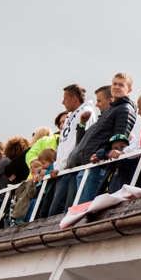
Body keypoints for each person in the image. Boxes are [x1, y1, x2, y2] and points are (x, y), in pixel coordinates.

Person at [78, 73, 137, 204]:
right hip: (92, 163)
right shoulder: (113, 108)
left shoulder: (125, 109)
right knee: (81, 207)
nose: (116, 87)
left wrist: (101, 155)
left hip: (100, 165)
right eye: (114, 84)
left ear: (129, 90)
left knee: (88, 208)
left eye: (121, 85)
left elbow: (118, 140)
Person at [48, 84, 96, 216]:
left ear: (74, 98)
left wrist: (61, 166)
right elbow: (63, 143)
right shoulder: (69, 116)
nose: (63, 102)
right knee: (54, 211)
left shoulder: (85, 112)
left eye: (65, 98)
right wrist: (57, 165)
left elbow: (76, 143)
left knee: (64, 210)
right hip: (63, 169)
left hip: (72, 168)